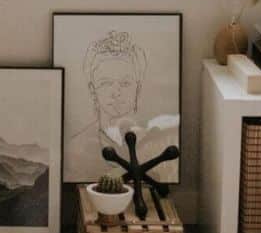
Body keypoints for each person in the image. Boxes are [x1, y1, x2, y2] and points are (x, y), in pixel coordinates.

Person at [68, 30, 178, 182]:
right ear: (93, 91)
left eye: (125, 83)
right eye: (106, 83)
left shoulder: (158, 143)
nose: (116, 93)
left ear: (137, 89)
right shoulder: (76, 149)